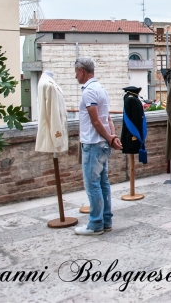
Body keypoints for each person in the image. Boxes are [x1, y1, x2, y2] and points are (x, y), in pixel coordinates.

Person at [74, 57, 122, 236]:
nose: (75, 75)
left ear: (82, 71)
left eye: (76, 72)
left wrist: (110, 137)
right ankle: (106, 221)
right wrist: (112, 136)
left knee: (92, 184)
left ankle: (95, 224)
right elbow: (107, 118)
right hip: (102, 143)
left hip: (94, 144)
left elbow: (96, 121)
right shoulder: (101, 89)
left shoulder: (89, 92)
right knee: (103, 183)